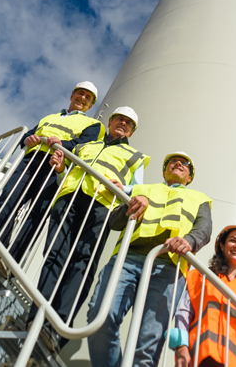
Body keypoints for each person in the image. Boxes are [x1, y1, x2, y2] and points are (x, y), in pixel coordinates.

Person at [32, 106, 150, 342]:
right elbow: (67, 172)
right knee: (54, 255)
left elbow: (136, 188)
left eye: (128, 123)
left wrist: (123, 187)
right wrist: (61, 168)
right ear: (110, 121)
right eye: (119, 119)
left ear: (132, 131)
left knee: (83, 263)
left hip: (101, 207)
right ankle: (35, 320)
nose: (123, 124)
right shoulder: (86, 145)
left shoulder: (136, 156)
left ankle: (58, 329)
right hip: (69, 199)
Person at [87, 152, 212, 367]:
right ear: (164, 171)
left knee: (148, 344)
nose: (179, 164)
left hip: (169, 267)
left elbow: (204, 229)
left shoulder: (200, 198)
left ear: (189, 177)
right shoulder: (140, 189)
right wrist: (130, 205)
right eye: (173, 162)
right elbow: (114, 223)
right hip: (129, 258)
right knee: (100, 316)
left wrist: (189, 240)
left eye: (185, 165)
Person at [0, 81, 104, 274]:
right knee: (8, 200)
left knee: (37, 213)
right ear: (72, 96)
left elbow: (85, 146)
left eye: (88, 98)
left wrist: (63, 143)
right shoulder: (50, 117)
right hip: (31, 160)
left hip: (55, 164)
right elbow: (30, 133)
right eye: (80, 94)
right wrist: (27, 139)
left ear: (91, 105)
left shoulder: (94, 125)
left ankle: (9, 263)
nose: (83, 99)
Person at [168, 224, 236, 367]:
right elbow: (183, 314)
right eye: (233, 240)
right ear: (222, 245)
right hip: (201, 360)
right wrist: (182, 349)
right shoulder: (201, 277)